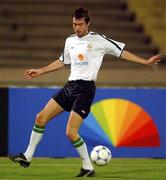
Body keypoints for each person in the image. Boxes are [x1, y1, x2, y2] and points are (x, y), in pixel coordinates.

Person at [8, 7, 161, 177]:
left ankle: (88, 167)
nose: (77, 28)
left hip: (85, 89)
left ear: (88, 23)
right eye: (74, 24)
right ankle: (27, 156)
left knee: (70, 132)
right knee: (40, 117)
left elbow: (122, 53)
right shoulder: (70, 41)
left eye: (80, 24)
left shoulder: (99, 40)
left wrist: (145, 62)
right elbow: (62, 61)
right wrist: (40, 71)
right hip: (70, 86)